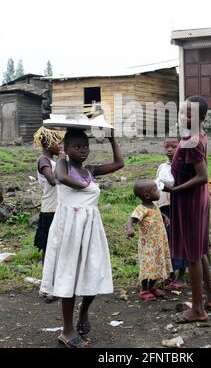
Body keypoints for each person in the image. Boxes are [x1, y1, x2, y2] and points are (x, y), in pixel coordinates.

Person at [40, 128, 124, 348]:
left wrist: (112, 139)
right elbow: (61, 178)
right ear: (66, 149)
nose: (82, 150)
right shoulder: (62, 165)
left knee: (93, 272)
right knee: (69, 276)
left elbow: (119, 164)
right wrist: (85, 185)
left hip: (90, 229)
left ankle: (84, 311)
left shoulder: (90, 170)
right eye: (76, 147)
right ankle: (67, 331)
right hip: (69, 229)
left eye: (85, 146)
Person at [164, 96, 211, 323]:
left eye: (190, 114)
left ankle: (198, 309)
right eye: (183, 111)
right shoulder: (192, 137)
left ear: (202, 118)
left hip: (191, 202)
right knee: (200, 250)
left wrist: (176, 189)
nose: (184, 117)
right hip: (195, 199)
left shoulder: (193, 141)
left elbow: (202, 176)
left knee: (193, 256)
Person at [127, 179, 173, 301]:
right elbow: (131, 219)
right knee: (148, 267)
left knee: (157, 265)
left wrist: (165, 217)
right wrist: (130, 229)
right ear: (147, 195)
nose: (158, 192)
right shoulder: (141, 208)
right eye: (156, 190)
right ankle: (144, 290)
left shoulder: (154, 205)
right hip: (148, 246)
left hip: (159, 244)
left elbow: (158, 213)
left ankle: (151, 287)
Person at [33, 127, 64, 303]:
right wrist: (61, 162)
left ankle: (54, 284)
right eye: (57, 141)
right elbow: (53, 181)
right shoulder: (44, 161)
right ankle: (47, 286)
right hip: (50, 210)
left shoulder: (52, 161)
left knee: (57, 248)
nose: (60, 145)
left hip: (58, 209)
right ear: (47, 143)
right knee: (48, 248)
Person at [155, 137, 188, 290]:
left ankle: (181, 276)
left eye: (173, 146)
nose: (169, 149)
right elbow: (157, 187)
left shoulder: (185, 166)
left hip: (181, 208)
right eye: (166, 146)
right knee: (168, 241)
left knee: (181, 241)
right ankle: (170, 274)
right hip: (166, 209)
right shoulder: (163, 167)